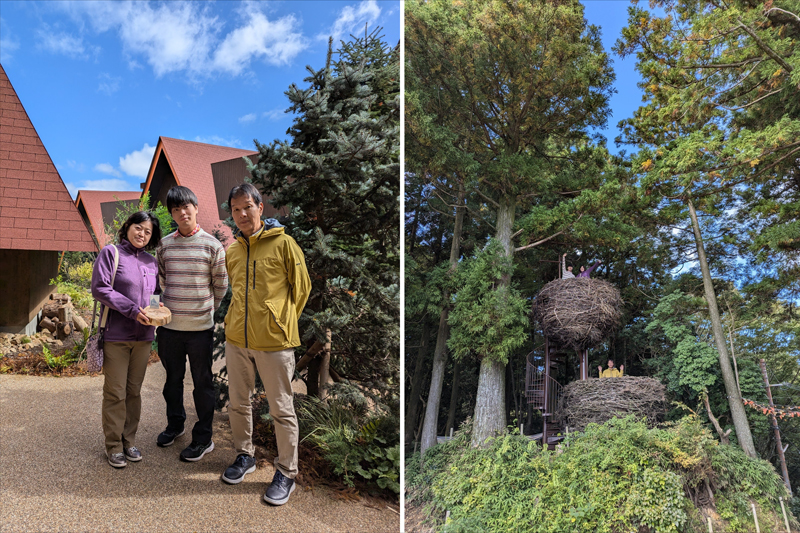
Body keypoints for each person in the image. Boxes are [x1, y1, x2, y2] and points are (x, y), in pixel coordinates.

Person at [221, 183, 311, 506]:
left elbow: (301, 290)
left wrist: (278, 320)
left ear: (261, 207)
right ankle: (244, 455)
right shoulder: (232, 251)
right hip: (237, 340)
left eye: (248, 207)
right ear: (231, 214)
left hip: (273, 343)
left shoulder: (284, 244)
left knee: (281, 409)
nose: (242, 214)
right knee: (238, 403)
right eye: (235, 210)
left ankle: (286, 471)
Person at [156, 186, 228, 462]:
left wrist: (207, 311)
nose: (182, 213)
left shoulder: (212, 245)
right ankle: (175, 425)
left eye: (186, 207)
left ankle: (204, 437)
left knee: (202, 383)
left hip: (200, 330)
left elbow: (221, 284)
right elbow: (161, 280)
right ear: (172, 214)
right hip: (170, 329)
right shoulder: (165, 244)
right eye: (176, 209)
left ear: (196, 208)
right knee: (172, 381)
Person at [91, 211, 162, 468]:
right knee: (116, 392)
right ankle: (113, 445)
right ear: (128, 227)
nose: (142, 234)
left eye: (148, 231)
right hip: (117, 335)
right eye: (138, 228)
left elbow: (154, 293)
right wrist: (133, 310)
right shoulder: (111, 253)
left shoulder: (151, 262)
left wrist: (155, 309)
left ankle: (129, 440)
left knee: (134, 391)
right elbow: (100, 288)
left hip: (144, 337)